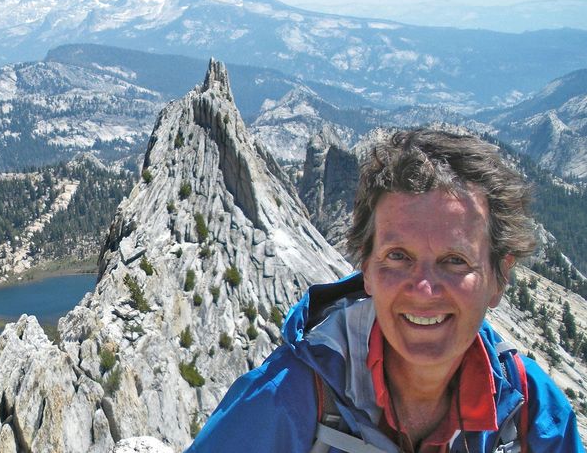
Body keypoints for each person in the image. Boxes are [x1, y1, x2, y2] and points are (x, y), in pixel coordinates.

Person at [189, 128, 585, 452]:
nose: (424, 289)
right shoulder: (287, 400)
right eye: (398, 256)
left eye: (455, 260)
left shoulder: (529, 409)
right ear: (366, 269)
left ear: (499, 278)